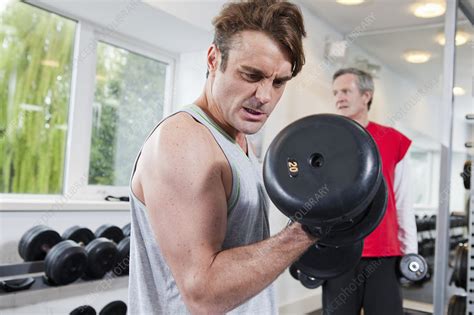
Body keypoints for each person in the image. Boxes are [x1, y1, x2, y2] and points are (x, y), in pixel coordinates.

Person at [128, 1, 317, 314]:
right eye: (251, 75)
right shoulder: (184, 141)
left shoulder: (238, 138)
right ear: (214, 59)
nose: (265, 96)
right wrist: (308, 229)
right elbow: (202, 293)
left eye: (279, 81)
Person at [323, 68, 418, 315]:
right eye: (335, 92)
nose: (339, 98)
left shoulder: (394, 141)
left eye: (346, 91)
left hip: (384, 254)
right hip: (339, 251)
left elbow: (403, 203)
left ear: (366, 96)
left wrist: (411, 254)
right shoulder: (325, 141)